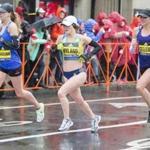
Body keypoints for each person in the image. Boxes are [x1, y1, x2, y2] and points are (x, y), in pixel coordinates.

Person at [55, 15, 101, 132]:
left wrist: (88, 55)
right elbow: (55, 54)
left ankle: (67, 119)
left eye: (67, 26)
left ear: (74, 26)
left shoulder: (81, 38)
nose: (65, 28)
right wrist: (54, 49)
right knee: (79, 100)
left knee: (61, 93)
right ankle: (94, 118)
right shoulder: (60, 38)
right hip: (66, 74)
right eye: (63, 26)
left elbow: (97, 47)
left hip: (79, 73)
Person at [0, 3, 44, 122]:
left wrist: (3, 40)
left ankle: (39, 107)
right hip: (2, 62)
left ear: (9, 14)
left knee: (20, 93)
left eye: (2, 12)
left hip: (13, 63)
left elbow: (15, 45)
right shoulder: (1, 25)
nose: (0, 14)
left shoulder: (12, 26)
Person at [130, 9, 150, 123]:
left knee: (139, 86)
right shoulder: (137, 30)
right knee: (148, 93)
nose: (141, 19)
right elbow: (132, 49)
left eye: (144, 17)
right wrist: (132, 46)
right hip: (143, 64)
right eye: (140, 17)